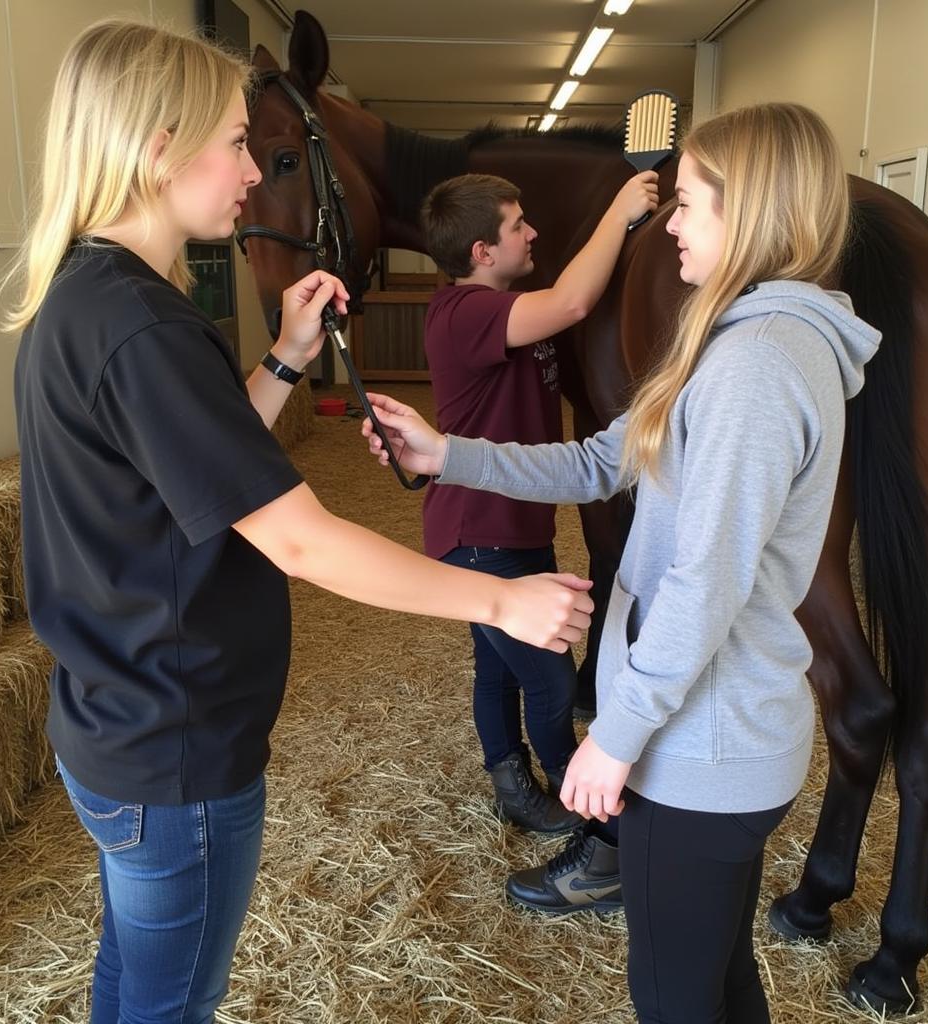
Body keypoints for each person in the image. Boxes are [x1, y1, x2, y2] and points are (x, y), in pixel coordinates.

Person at [2, 20, 593, 1024]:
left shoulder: (94, 300)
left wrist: (283, 357)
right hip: (175, 753)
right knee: (177, 1001)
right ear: (157, 145)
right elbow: (299, 536)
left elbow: (195, 468)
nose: (247, 171)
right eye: (235, 143)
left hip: (123, 729)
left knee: (137, 981)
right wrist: (501, 594)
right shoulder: (143, 327)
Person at [363, 103, 882, 1024]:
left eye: (689, 204)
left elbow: (705, 583)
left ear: (754, 209)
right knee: (719, 981)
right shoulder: (736, 338)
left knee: (672, 998)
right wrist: (452, 455)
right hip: (715, 738)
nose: (671, 223)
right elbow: (605, 458)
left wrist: (616, 733)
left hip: (699, 749)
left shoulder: (757, 363)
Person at [418, 170, 658, 834]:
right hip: (479, 528)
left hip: (512, 522)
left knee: (497, 667)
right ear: (480, 253)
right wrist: (619, 210)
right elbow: (576, 301)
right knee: (551, 678)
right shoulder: (464, 312)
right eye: (517, 224)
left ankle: (512, 787)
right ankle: (590, 812)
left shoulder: (505, 302)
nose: (533, 232)